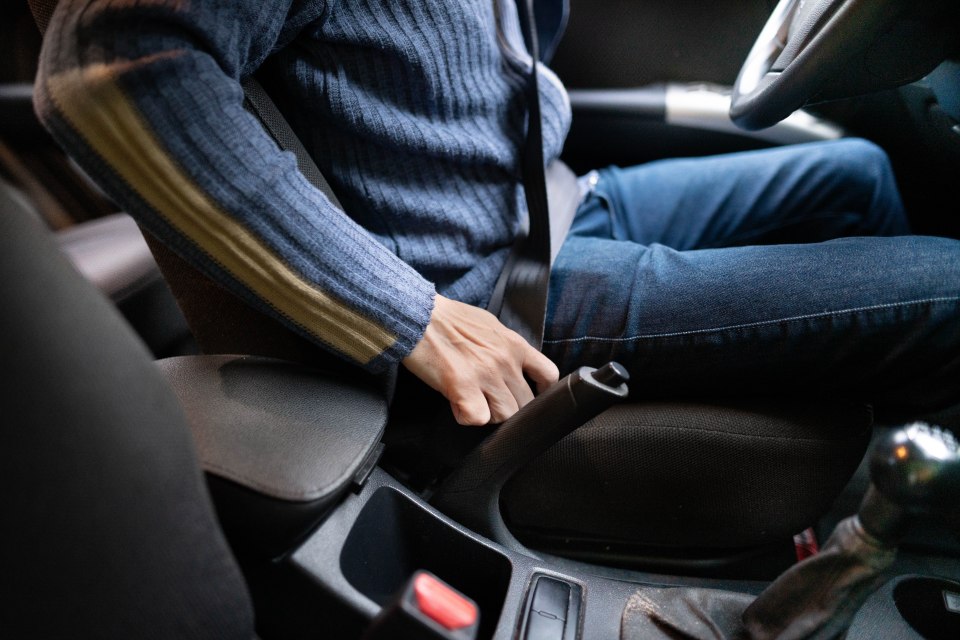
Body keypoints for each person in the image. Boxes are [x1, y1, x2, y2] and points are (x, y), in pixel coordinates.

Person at [35, 0, 960, 428]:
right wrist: (412, 314)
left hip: (550, 205)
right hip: (493, 288)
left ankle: (880, 432)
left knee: (856, 172)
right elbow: (106, 70)